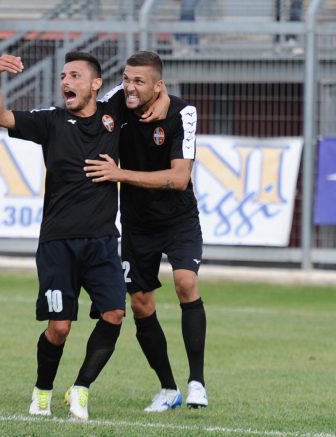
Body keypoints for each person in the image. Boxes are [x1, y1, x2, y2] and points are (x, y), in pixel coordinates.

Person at [0, 51, 169, 421]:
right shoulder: (50, 121)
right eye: (63, 76)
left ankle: (81, 388)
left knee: (114, 313)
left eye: (74, 76)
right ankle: (42, 391)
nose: (66, 82)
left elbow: (145, 86)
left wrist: (164, 97)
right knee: (59, 328)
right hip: (58, 241)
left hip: (103, 241)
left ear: (96, 84)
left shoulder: (113, 113)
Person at [84, 51, 208, 412]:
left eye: (139, 81)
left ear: (159, 86)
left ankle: (197, 382)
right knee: (140, 303)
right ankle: (168, 388)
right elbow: (94, 101)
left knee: (185, 282)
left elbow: (179, 178)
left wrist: (120, 174)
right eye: (126, 78)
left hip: (178, 218)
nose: (130, 87)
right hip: (137, 223)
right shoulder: (119, 103)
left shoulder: (183, 113)